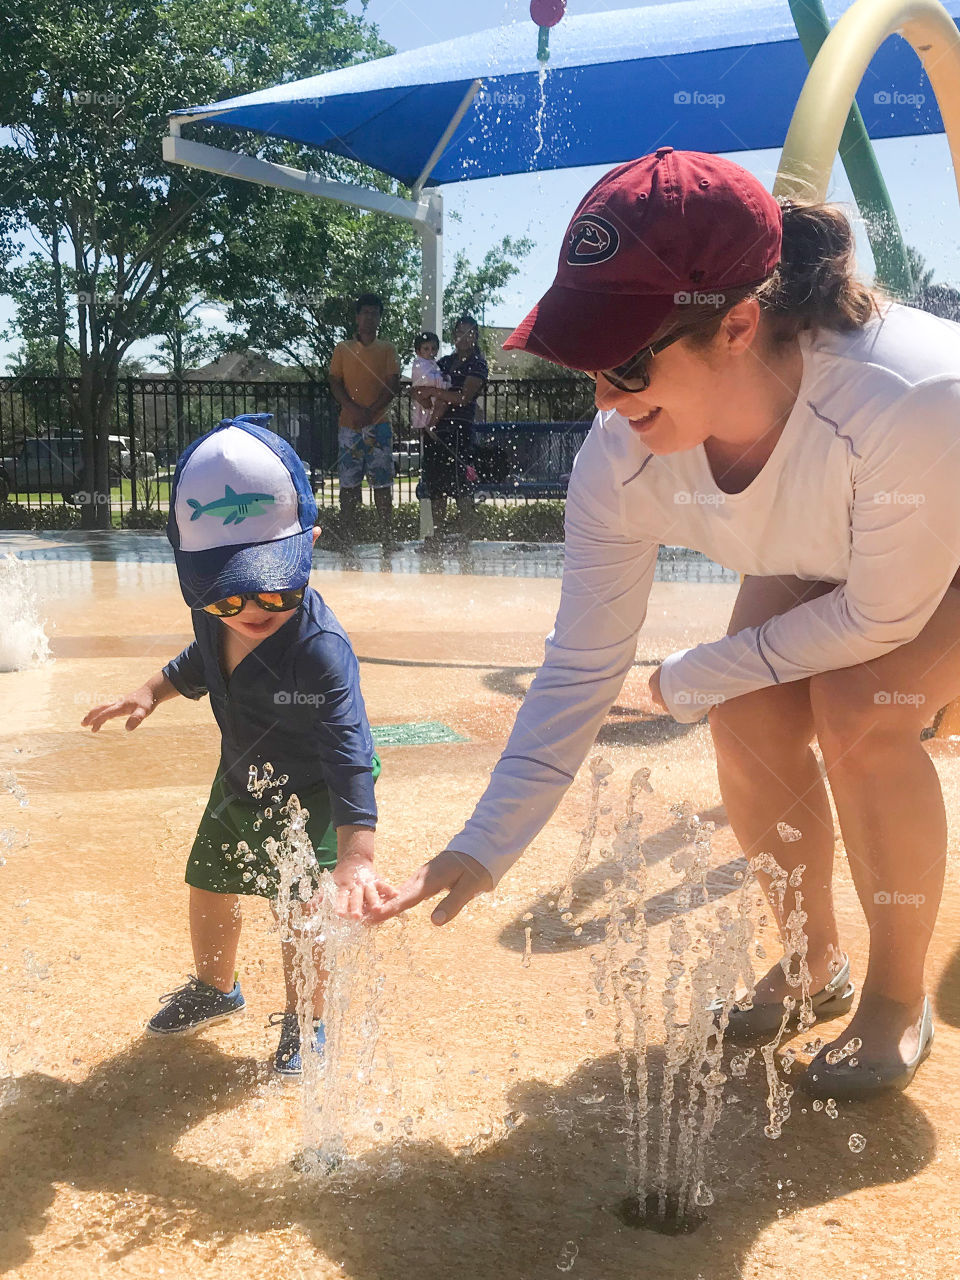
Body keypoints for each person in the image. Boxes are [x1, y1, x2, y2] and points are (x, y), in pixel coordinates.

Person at [372, 148, 960, 1102]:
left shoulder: (910, 399)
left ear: (736, 323)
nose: (602, 399)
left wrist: (697, 670)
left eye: (626, 361)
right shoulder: (622, 458)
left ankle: (896, 1000)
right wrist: (482, 846)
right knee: (749, 712)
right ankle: (815, 966)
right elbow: (580, 669)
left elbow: (882, 615)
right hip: (847, 544)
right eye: (586, 363)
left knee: (861, 708)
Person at [82, 413, 394, 1078]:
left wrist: (358, 857)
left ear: (310, 542)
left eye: (276, 585)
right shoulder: (218, 610)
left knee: (300, 910)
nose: (251, 608)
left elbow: (346, 750)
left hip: (315, 785)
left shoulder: (320, 652)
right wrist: (151, 690)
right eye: (228, 595)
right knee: (209, 882)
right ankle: (216, 988)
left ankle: (306, 1023)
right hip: (244, 773)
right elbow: (205, 658)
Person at [328, 294, 401, 551]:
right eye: (365, 312)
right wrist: (352, 408)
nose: (370, 317)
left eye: (375, 313)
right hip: (349, 426)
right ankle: (346, 538)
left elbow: (393, 383)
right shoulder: (342, 349)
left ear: (380, 318)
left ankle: (387, 539)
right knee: (348, 485)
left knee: (383, 484)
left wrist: (372, 411)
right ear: (357, 317)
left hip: (379, 425)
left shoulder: (387, 349)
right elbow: (335, 382)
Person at [417, 316, 488, 546]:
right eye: (459, 333)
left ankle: (467, 537)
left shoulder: (478, 364)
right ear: (454, 336)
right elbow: (422, 389)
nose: (464, 338)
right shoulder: (445, 362)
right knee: (436, 487)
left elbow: (464, 397)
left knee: (461, 487)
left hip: (460, 431)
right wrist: (422, 395)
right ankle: (436, 536)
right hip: (436, 431)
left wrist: (431, 392)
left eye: (469, 333)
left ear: (475, 336)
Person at [409, 330, 450, 435]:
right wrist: (443, 380)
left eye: (434, 349)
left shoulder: (433, 364)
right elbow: (428, 379)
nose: (430, 352)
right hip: (424, 396)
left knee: (439, 407)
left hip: (432, 395)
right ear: (418, 351)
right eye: (426, 349)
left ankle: (430, 428)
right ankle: (428, 429)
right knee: (426, 412)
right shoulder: (419, 364)